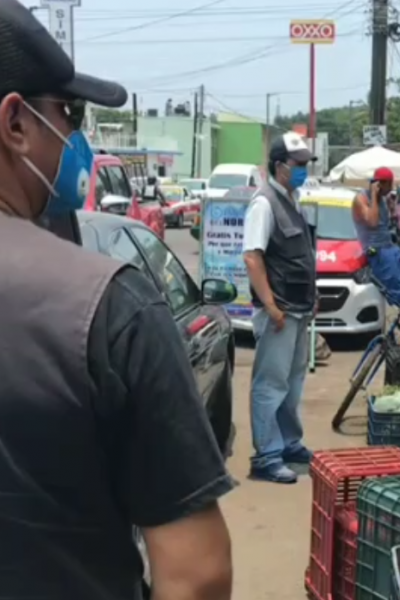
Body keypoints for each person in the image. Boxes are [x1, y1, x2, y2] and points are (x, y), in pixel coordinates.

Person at [0, 2, 234, 598]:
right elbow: (196, 575)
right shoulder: (108, 305)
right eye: (69, 114)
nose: (74, 139)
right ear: (15, 123)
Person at [243, 131, 317, 484]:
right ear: (279, 166)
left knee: (292, 381)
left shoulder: (293, 198)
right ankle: (267, 456)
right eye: (298, 164)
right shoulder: (264, 203)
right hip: (280, 311)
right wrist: (271, 306)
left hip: (298, 309)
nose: (303, 169)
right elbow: (252, 257)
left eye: (305, 164)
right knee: (270, 383)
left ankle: (289, 442)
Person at [352, 167, 400, 312]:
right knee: (399, 291)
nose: (390, 189)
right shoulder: (362, 199)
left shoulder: (383, 199)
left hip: (391, 247)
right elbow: (372, 222)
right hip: (378, 251)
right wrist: (373, 193)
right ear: (378, 184)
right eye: (388, 185)